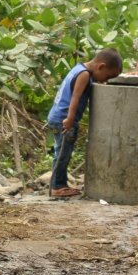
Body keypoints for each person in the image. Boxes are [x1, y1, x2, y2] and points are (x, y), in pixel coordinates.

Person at [46, 48, 123, 198]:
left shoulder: (80, 69)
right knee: (63, 154)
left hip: (57, 116)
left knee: (61, 152)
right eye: (107, 76)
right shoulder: (84, 75)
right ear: (101, 67)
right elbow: (75, 98)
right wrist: (69, 120)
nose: (105, 80)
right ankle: (57, 187)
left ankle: (59, 184)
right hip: (64, 119)